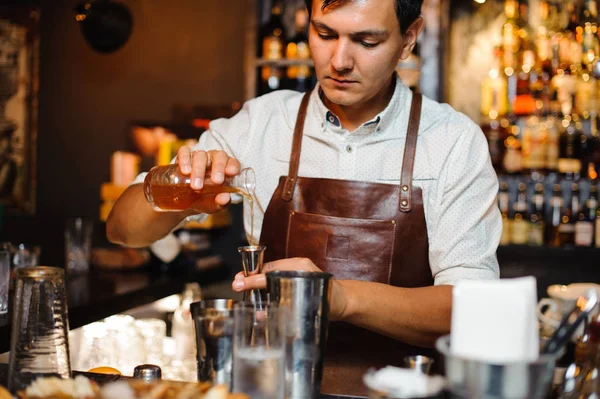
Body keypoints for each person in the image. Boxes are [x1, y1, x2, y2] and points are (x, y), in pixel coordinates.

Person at [107, 0, 501, 395]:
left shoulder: (452, 141)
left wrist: (340, 297)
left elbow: (472, 309)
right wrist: (182, 190)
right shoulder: (261, 124)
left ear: (408, 39)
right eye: (324, 34)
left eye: (366, 41)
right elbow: (123, 230)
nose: (339, 60)